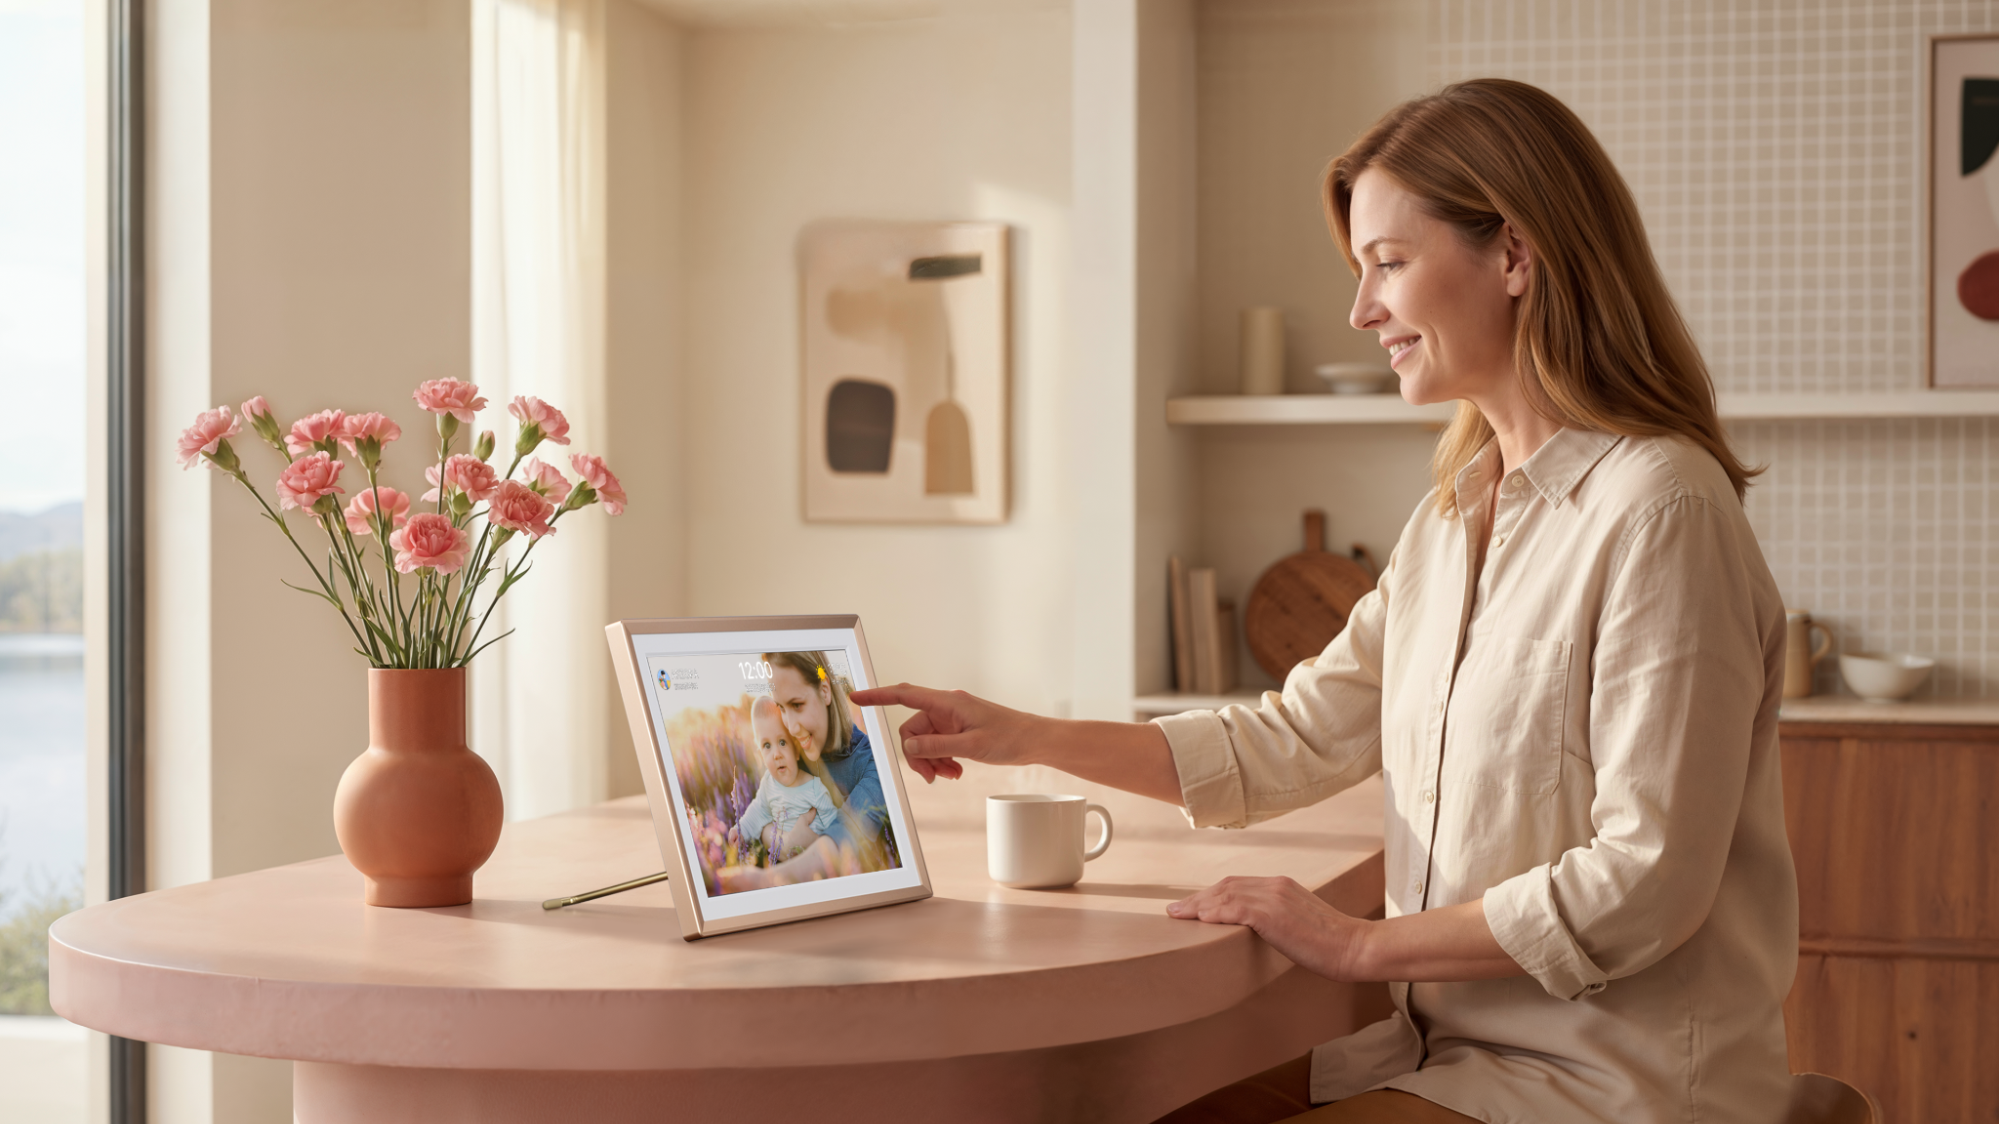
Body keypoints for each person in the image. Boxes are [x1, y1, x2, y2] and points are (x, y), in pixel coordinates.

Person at [851, 78, 1797, 1124]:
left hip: (1615, 1086)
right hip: (1451, 1056)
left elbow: (1646, 879)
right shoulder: (1452, 517)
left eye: (1388, 264)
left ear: (1516, 255)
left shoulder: (1660, 509)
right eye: (1361, 272)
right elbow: (1292, 739)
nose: (1361, 311)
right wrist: (1019, 732)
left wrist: (1357, 945)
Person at [718, 650, 891, 890]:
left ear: (825, 690)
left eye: (797, 705)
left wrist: (763, 881)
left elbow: (844, 839)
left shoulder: (873, 764)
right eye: (781, 707)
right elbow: (765, 807)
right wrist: (785, 842)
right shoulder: (792, 750)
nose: (790, 726)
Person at [731, 696, 839, 865]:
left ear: (796, 750)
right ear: (760, 755)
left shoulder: (814, 788)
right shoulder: (768, 784)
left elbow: (835, 825)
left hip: (813, 864)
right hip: (780, 865)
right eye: (767, 746)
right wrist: (741, 830)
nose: (776, 754)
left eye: (782, 742)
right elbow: (758, 811)